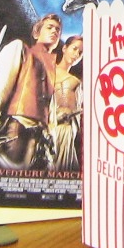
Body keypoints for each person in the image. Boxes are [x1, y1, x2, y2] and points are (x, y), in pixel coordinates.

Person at [0, 13, 60, 168]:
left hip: (40, 137)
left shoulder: (53, 69)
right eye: (50, 27)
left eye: (58, 29)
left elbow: (51, 106)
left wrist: (51, 135)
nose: (54, 31)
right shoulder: (19, 48)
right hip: (18, 127)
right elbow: (1, 85)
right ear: (36, 33)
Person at [46, 35, 84, 171]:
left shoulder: (77, 82)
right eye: (74, 49)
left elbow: (78, 111)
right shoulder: (49, 71)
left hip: (68, 134)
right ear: (64, 48)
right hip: (50, 132)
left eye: (80, 53)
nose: (76, 55)